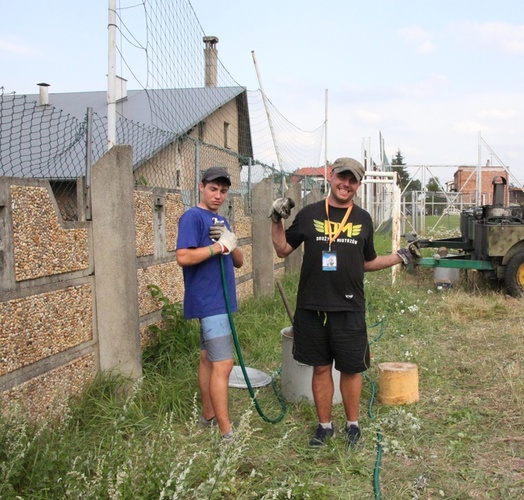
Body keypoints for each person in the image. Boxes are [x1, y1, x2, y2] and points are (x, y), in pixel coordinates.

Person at [270, 157, 420, 448]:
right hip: (312, 306)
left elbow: (366, 262)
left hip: (350, 306)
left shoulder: (363, 218)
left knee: (352, 369)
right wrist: (276, 219)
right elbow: (282, 249)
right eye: (342, 177)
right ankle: (324, 427)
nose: (346, 184)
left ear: (358, 185)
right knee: (321, 368)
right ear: (331, 176)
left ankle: (353, 426)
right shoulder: (311, 213)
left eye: (353, 180)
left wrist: (400, 256)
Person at [176, 166, 243, 441]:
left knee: (207, 359)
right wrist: (218, 247)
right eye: (213, 189)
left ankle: (208, 416)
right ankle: (227, 433)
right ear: (201, 187)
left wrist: (231, 242)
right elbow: (183, 257)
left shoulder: (221, 220)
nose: (218, 195)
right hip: (210, 301)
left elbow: (238, 262)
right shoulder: (192, 217)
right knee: (223, 364)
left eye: (223, 191)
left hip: (219, 300)